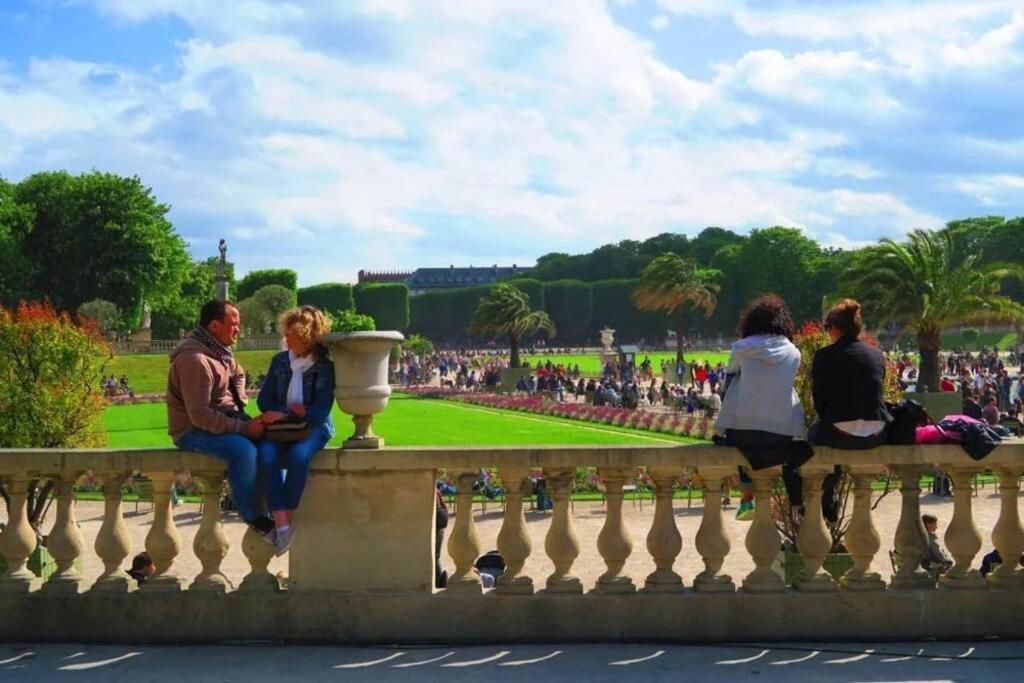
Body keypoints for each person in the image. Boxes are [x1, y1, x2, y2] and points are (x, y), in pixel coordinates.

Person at [168, 300, 272, 542]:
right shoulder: (195, 360)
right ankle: (254, 516)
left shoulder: (219, 352)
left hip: (218, 423)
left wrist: (238, 398)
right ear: (214, 326)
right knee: (243, 450)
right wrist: (243, 428)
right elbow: (200, 416)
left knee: (271, 442)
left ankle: (274, 507)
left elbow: (238, 372)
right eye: (233, 324)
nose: (238, 329)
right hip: (190, 431)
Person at [714, 296, 809, 521]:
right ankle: (796, 503)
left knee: (736, 427)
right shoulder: (794, 352)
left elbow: (729, 381)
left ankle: (747, 496)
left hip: (744, 431)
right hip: (780, 432)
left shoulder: (740, 348)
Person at [256, 306, 336, 556]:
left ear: (307, 337)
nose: (285, 339)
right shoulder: (280, 361)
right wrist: (286, 412)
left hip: (314, 427)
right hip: (281, 426)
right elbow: (263, 400)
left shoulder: (324, 367)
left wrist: (286, 413)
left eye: (291, 335)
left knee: (298, 457)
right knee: (266, 456)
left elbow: (319, 412)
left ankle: (284, 521)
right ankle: (282, 523)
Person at [809, 299, 892, 450]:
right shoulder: (877, 355)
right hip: (876, 435)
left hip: (840, 435)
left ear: (834, 328)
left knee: (812, 432)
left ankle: (833, 474)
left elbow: (819, 400)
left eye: (827, 327)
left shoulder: (824, 356)